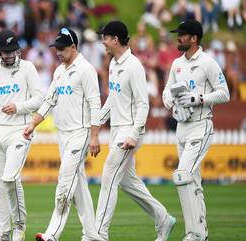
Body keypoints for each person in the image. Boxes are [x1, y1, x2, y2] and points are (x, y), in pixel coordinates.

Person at [95, 20, 176, 241]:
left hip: (131, 131)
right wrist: (96, 123)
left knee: (109, 176)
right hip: (117, 130)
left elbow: (143, 104)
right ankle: (163, 218)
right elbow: (112, 99)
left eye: (105, 37)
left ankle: (98, 234)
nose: (103, 41)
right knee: (127, 182)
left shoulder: (134, 66)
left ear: (116, 39)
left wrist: (132, 134)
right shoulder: (113, 64)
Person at [23, 27, 102, 241]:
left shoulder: (86, 70)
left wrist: (94, 135)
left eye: (62, 48)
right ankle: (93, 235)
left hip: (81, 133)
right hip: (63, 134)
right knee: (79, 189)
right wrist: (33, 123)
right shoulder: (60, 71)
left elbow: (96, 103)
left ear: (73, 47)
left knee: (64, 183)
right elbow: (49, 100)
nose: (58, 52)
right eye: (56, 48)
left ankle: (52, 234)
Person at [0, 29, 43, 241]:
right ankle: (3, 232)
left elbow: (40, 98)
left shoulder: (28, 68)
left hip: (21, 130)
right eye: (6, 52)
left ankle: (19, 227)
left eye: (13, 51)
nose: (10, 55)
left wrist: (19, 107)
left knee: (10, 178)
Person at [163, 19, 230, 241]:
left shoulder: (208, 62)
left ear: (194, 38)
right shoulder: (176, 64)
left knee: (182, 175)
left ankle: (193, 234)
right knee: (193, 182)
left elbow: (224, 93)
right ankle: (201, 235)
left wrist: (199, 98)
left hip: (201, 127)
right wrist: (172, 104)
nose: (178, 38)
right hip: (181, 129)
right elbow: (166, 93)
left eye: (182, 34)